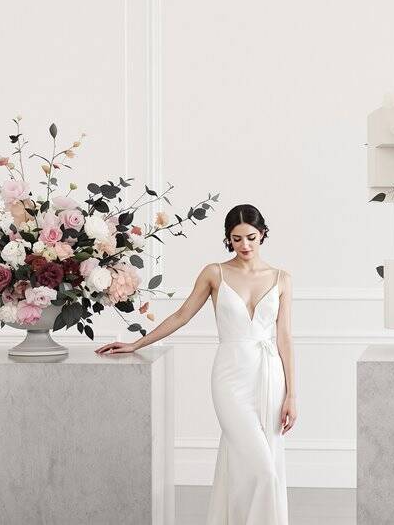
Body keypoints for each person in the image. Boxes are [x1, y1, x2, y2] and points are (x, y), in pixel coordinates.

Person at [96, 203, 296, 524]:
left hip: (270, 377)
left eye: (251, 237)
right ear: (227, 239)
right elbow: (181, 315)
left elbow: (284, 337)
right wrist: (136, 343)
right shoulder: (214, 273)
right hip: (230, 378)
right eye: (236, 238)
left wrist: (292, 395)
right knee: (262, 470)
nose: (244, 245)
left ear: (263, 235)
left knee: (259, 464)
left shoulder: (281, 279)